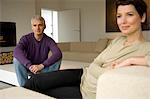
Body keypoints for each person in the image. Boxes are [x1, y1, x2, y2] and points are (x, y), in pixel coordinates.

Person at [24, 0, 150, 99]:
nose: (123, 21)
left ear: (142, 17)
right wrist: (105, 69)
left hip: (88, 92)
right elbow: (95, 62)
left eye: (129, 14)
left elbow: (97, 66)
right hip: (83, 73)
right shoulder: (118, 40)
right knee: (34, 81)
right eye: (119, 16)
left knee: (40, 91)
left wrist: (130, 60)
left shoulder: (147, 48)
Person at [13, 15, 62, 86]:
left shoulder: (49, 40)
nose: (37, 28)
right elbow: (16, 51)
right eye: (35, 25)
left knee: (58, 59)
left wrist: (42, 65)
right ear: (32, 27)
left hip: (42, 69)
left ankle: (48, 81)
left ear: (44, 26)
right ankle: (25, 86)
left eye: (40, 25)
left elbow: (58, 53)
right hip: (29, 68)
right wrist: (29, 65)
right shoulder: (25, 38)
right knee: (16, 60)